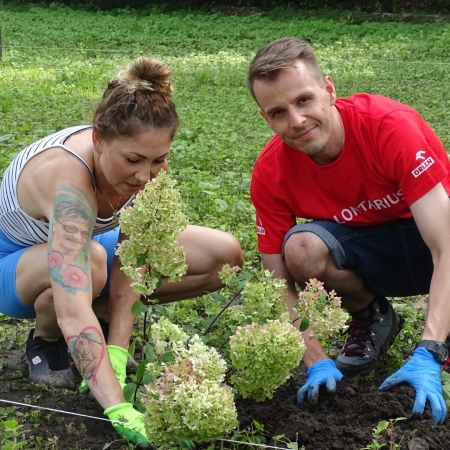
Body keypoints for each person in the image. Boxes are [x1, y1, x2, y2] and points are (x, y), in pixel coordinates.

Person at [0, 56, 243, 446]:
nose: (145, 175)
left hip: (87, 248)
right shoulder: (68, 185)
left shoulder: (145, 167)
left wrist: (117, 347)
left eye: (159, 159)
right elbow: (72, 307)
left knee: (222, 254)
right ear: (99, 139)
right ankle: (45, 341)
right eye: (133, 160)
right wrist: (117, 406)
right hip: (15, 266)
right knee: (92, 266)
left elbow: (135, 257)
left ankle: (104, 326)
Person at [247, 37, 450, 425]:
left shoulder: (388, 127)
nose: (297, 121)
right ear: (266, 119)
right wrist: (315, 359)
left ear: (329, 89)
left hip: (432, 244)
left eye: (304, 100)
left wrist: (430, 349)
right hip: (370, 255)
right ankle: (373, 317)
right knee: (301, 247)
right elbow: (277, 284)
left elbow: (446, 246)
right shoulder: (270, 173)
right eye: (278, 112)